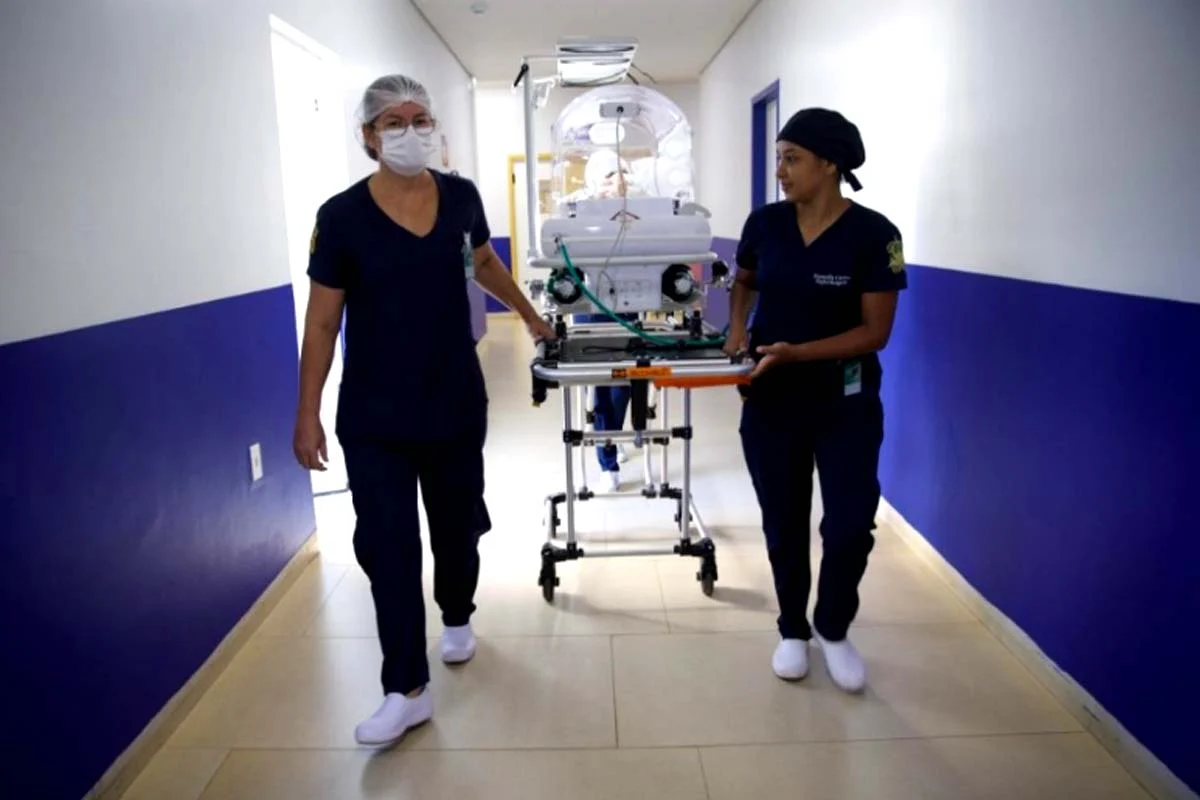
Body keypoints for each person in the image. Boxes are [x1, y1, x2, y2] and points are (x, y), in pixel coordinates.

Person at [292, 74, 555, 747]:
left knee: (457, 528)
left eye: (420, 119)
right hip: (375, 414)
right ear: (369, 136)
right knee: (388, 546)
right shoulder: (342, 217)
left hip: (452, 401)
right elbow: (321, 323)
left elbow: (483, 261)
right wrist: (307, 412)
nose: (410, 131)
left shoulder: (461, 197)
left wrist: (529, 315)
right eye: (393, 122)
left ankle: (458, 613)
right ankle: (405, 689)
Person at [724, 108, 907, 693]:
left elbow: (875, 333)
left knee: (850, 524)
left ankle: (832, 627)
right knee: (783, 521)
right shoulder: (765, 223)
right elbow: (744, 280)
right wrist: (736, 330)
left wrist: (798, 352)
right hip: (772, 400)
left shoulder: (875, 235)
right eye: (778, 157)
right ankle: (792, 630)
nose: (780, 170)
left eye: (792, 158)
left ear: (829, 164)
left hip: (845, 404)